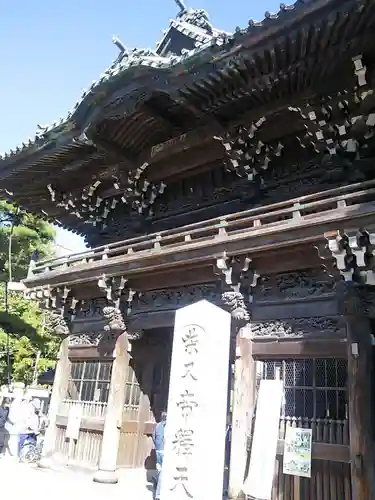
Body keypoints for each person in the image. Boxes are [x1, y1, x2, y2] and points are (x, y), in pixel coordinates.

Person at [152, 411, 167, 500]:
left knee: (159, 467)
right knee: (162, 470)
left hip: (158, 450)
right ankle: (158, 491)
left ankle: (156, 479)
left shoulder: (157, 425)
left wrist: (157, 445)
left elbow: (153, 436)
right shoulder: (167, 426)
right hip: (164, 450)